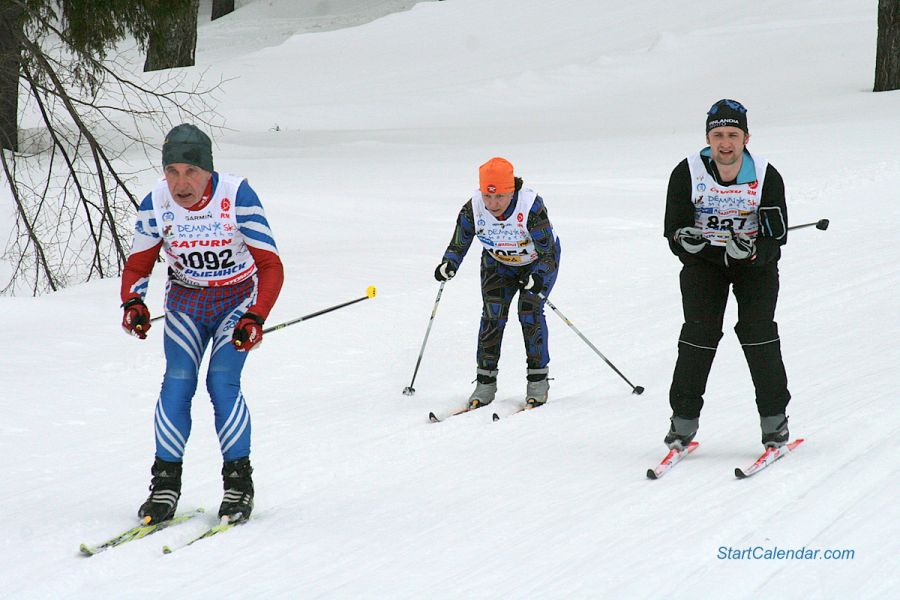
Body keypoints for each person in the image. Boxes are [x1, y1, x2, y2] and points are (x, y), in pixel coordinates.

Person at [119, 124, 284, 524]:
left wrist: (256, 315)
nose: (181, 183)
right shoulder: (157, 201)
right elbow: (139, 263)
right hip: (186, 302)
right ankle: (164, 484)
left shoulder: (236, 194)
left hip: (236, 299)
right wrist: (132, 302)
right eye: (172, 171)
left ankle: (238, 483)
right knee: (177, 380)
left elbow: (270, 264)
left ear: (209, 170)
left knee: (221, 381)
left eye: (191, 171)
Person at [663, 99, 791, 450]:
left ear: (746, 137)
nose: (725, 143)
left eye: (733, 134)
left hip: (754, 268)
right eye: (717, 134)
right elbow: (673, 229)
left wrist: (751, 252)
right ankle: (682, 422)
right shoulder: (687, 172)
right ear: (708, 137)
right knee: (698, 335)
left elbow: (776, 237)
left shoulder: (766, 174)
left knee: (758, 332)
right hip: (705, 266)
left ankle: (774, 421)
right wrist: (685, 241)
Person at [434, 157, 561, 408]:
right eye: (487, 196)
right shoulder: (474, 207)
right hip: (498, 263)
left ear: (511, 190)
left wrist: (538, 276)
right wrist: (449, 263)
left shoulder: (531, 206)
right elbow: (460, 240)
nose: (493, 204)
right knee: (493, 316)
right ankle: (485, 384)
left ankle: (537, 381)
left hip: (535, 263)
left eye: (500, 197)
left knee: (529, 310)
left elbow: (548, 254)